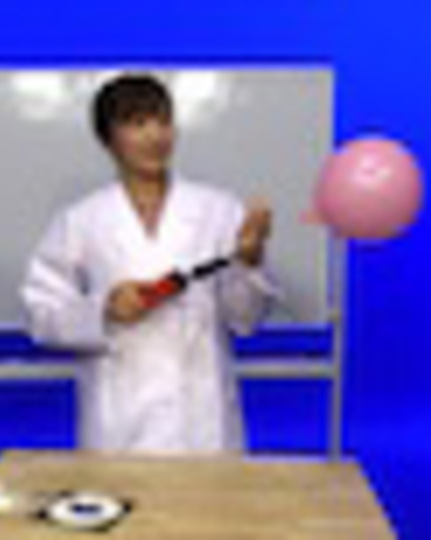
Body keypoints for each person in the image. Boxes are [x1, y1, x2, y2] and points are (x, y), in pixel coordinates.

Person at [21, 73, 280, 455]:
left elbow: (245, 319)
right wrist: (104, 309)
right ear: (108, 138)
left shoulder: (219, 210)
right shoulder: (80, 220)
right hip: (119, 423)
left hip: (202, 422)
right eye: (137, 123)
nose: (154, 136)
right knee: (121, 493)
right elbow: (41, 315)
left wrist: (250, 261)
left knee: (209, 494)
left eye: (163, 121)